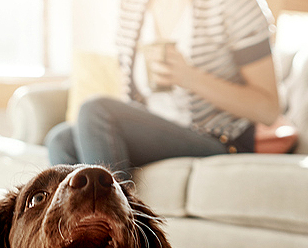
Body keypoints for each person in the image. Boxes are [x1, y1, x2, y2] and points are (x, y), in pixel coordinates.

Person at [46, 0, 281, 177]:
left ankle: (124, 233)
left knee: (96, 110)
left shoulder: (234, 5)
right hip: (158, 130)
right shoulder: (132, 6)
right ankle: (78, 236)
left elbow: (268, 110)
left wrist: (190, 78)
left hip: (221, 139)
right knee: (60, 139)